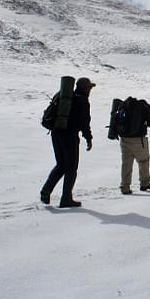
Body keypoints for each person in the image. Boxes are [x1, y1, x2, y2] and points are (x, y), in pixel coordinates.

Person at [40, 77, 94, 208]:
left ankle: (45, 192)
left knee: (61, 165)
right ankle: (66, 198)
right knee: (71, 168)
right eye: (90, 87)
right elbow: (84, 122)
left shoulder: (64, 96)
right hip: (69, 136)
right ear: (85, 88)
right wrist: (88, 138)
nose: (90, 90)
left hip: (56, 133)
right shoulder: (82, 100)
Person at [119, 97, 150, 194]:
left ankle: (125, 187)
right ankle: (144, 183)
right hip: (138, 140)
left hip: (124, 139)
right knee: (143, 161)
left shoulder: (124, 106)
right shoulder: (143, 108)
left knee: (126, 164)